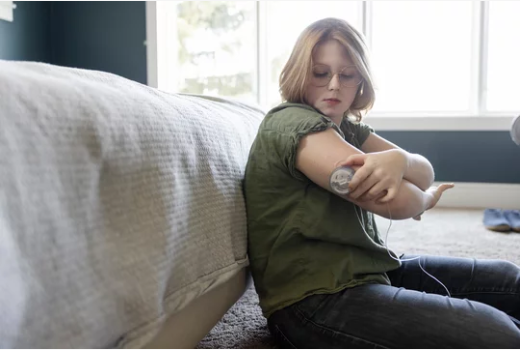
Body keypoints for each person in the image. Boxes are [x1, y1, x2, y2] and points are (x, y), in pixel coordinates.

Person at [244, 18, 520, 348]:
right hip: (313, 303)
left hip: (368, 270)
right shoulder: (295, 125)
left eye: (347, 75)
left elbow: (425, 172)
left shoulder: (346, 129)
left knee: (509, 280)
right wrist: (426, 198)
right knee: (497, 333)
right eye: (321, 73)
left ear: (360, 80)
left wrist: (400, 160)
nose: (334, 85)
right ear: (299, 72)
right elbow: (400, 203)